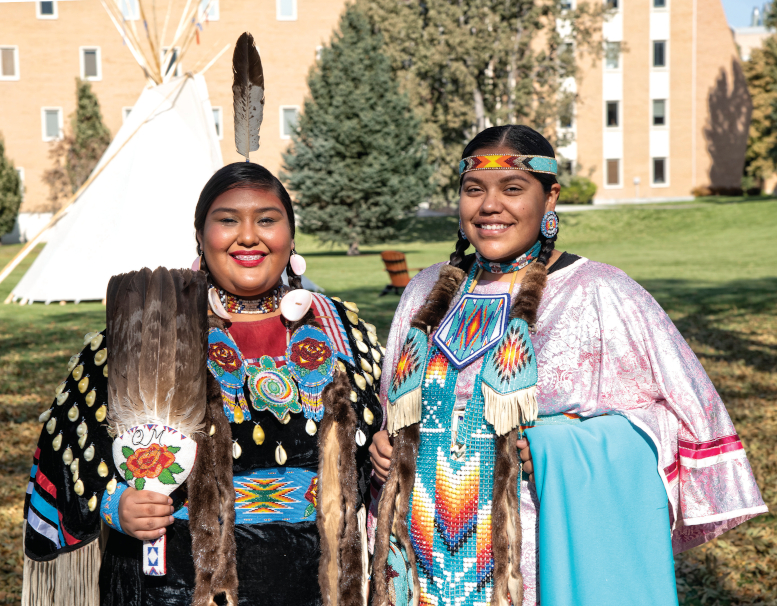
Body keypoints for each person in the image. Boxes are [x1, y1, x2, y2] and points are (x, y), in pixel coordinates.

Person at [368, 125, 767, 606]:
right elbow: (396, 405)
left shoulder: (600, 293)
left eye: (513, 189)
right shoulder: (423, 291)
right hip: (418, 552)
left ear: (550, 196)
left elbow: (679, 424)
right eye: (474, 190)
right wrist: (383, 443)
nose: (489, 206)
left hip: (535, 557)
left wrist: (562, 445)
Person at [22, 162, 384, 606]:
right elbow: (64, 469)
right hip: (172, 585)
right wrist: (117, 505)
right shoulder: (149, 332)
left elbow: (381, 460)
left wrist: (385, 458)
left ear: (291, 237)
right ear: (200, 234)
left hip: (311, 586)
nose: (248, 236)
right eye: (228, 219)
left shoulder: (343, 334)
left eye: (267, 220)